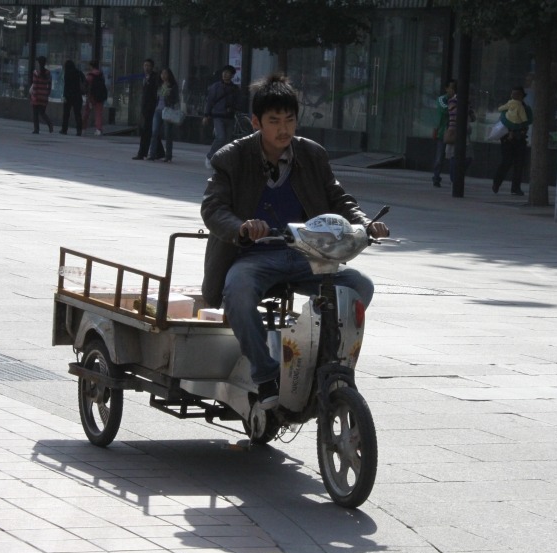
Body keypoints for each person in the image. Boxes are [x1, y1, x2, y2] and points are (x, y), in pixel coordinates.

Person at [200, 73, 389, 408]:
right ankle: (266, 374)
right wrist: (243, 226)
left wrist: (365, 223)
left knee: (360, 287)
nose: (283, 129)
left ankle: (326, 364)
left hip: (308, 255)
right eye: (274, 121)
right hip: (253, 258)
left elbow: (338, 198)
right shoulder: (231, 157)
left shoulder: (311, 155)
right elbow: (213, 208)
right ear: (257, 122)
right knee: (238, 290)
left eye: (290, 120)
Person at [492, 86, 533, 196]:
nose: (514, 96)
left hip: (519, 139)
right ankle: (497, 182)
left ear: (521, 96)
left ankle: (515, 187)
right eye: (512, 94)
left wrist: (521, 131)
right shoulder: (508, 107)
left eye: (516, 95)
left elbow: (527, 122)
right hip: (507, 139)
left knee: (519, 164)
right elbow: (503, 121)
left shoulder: (526, 109)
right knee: (506, 162)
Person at [203, 65, 240, 168]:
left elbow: (238, 102)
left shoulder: (235, 88)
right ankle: (210, 156)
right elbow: (209, 101)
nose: (225, 74)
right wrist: (206, 115)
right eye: (224, 72)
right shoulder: (215, 86)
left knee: (227, 140)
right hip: (218, 116)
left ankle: (221, 161)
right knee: (221, 137)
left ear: (232, 75)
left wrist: (233, 108)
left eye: (228, 73)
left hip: (230, 117)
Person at [445, 84, 476, 185]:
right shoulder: (453, 101)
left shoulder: (466, 102)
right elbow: (454, 116)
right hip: (455, 131)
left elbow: (473, 117)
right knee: (455, 155)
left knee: (468, 157)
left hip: (465, 132)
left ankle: (457, 176)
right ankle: (455, 178)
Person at [133, 58, 164, 160]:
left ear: (152, 67)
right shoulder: (145, 78)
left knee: (146, 131)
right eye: (145, 65)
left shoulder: (155, 78)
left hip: (153, 109)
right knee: (151, 131)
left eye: (148, 65)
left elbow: (156, 94)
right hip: (146, 109)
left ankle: (142, 153)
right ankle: (160, 152)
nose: (146, 67)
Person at [147, 68, 179, 163]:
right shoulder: (158, 85)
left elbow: (176, 99)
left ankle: (168, 155)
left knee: (167, 133)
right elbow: (154, 97)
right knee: (154, 132)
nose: (163, 76)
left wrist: (169, 94)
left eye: (165, 73)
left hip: (168, 110)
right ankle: (152, 154)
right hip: (158, 110)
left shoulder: (173, 86)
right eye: (162, 74)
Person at [432, 79, 455, 187]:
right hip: (443, 132)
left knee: (453, 156)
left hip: (453, 131)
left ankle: (454, 178)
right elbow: (446, 110)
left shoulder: (457, 100)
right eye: (451, 87)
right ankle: (436, 177)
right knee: (439, 157)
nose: (453, 90)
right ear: (446, 88)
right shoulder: (442, 99)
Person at [29, 56, 53, 134]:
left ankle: (36, 129)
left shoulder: (35, 72)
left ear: (38, 63)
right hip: (44, 95)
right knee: (42, 112)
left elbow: (35, 85)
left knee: (35, 114)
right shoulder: (48, 73)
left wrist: (33, 96)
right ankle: (49, 124)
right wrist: (47, 93)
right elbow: (49, 84)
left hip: (37, 95)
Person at [59, 60, 83, 136]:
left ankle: (64, 129)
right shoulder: (78, 72)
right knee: (78, 114)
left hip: (68, 96)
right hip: (77, 95)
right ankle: (79, 130)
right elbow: (84, 81)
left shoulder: (67, 74)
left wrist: (64, 96)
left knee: (66, 114)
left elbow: (66, 86)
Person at [82, 60, 105, 136]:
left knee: (86, 113)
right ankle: (98, 129)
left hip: (91, 97)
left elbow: (86, 86)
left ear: (91, 66)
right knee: (98, 113)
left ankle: (83, 128)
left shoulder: (90, 75)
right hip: (100, 96)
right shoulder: (101, 74)